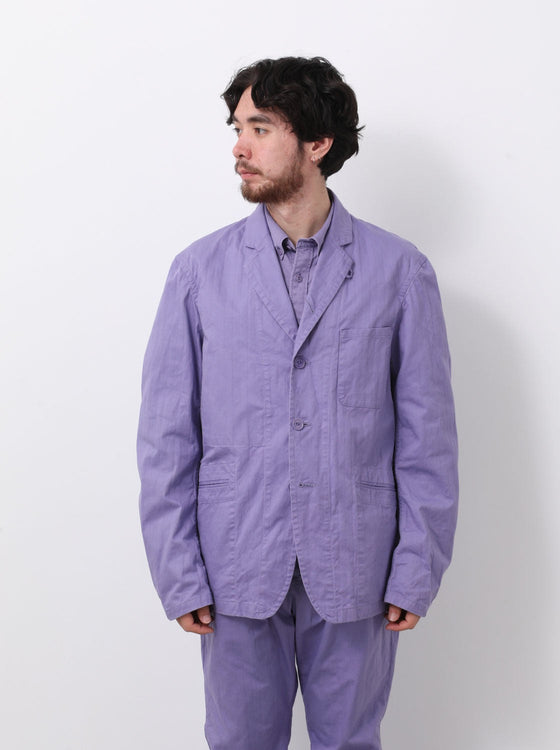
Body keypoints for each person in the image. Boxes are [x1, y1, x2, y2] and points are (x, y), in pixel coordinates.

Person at [137, 56, 458, 750]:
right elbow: (167, 438)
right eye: (237, 128)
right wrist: (178, 572)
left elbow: (427, 439)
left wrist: (417, 567)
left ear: (317, 143)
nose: (240, 147)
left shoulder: (400, 272)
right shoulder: (198, 272)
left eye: (260, 128)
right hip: (233, 566)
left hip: (357, 566)